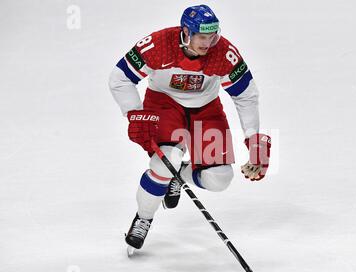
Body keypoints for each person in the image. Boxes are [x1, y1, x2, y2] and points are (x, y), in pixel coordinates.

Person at [109, 4, 272, 251]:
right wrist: (135, 114)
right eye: (202, 37)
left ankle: (181, 176)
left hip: (206, 109)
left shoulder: (224, 53)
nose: (208, 44)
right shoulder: (159, 44)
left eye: (212, 36)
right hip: (164, 103)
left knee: (220, 179)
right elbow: (119, 78)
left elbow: (246, 95)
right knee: (165, 162)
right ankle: (144, 217)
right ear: (186, 31)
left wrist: (253, 138)